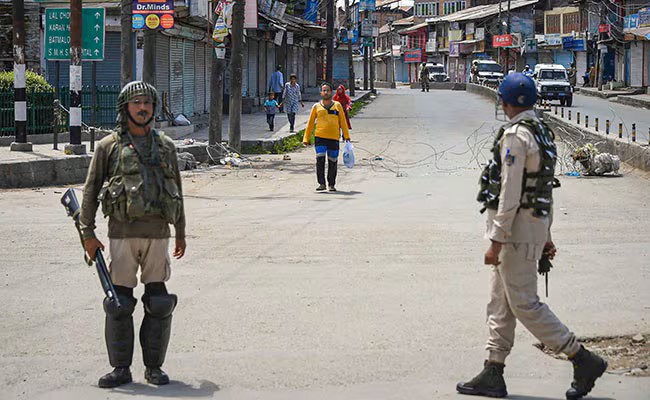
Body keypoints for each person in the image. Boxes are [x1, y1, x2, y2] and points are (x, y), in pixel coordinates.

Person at [457, 73, 607, 400]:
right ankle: (493, 370)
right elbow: (543, 191)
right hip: (532, 226)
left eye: (502, 99)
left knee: (524, 303)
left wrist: (496, 241)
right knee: (500, 302)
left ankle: (581, 357)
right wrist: (547, 235)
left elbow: (511, 193)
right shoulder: (542, 132)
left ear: (508, 102)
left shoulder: (515, 137)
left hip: (514, 232)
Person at [80, 81, 186, 388]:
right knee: (119, 303)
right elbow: (90, 191)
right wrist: (87, 233)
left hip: (158, 234)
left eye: (149, 103)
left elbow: (177, 190)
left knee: (159, 301)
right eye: (137, 102)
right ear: (125, 107)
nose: (143, 108)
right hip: (121, 235)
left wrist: (180, 232)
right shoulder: (108, 147)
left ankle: (154, 368)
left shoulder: (165, 146)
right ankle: (120, 369)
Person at [302, 82, 350, 192]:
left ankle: (331, 184)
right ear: (321, 93)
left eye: (328, 90)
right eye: (324, 90)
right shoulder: (316, 107)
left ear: (331, 92)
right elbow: (310, 124)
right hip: (320, 137)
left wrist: (346, 136)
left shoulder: (337, 106)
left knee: (333, 161)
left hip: (334, 138)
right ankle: (321, 183)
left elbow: (343, 122)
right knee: (320, 160)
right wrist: (306, 138)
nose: (326, 92)